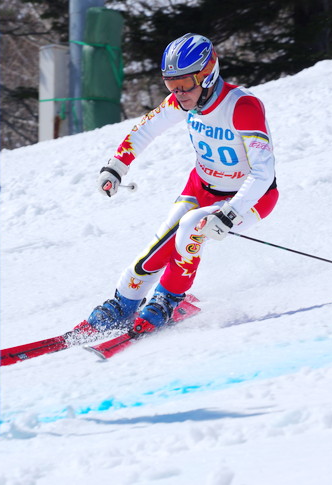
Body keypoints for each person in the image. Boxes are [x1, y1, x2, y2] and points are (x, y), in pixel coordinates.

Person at [79, 33, 278, 339]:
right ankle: (123, 303)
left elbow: (264, 173)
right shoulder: (183, 102)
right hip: (201, 187)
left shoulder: (243, 106)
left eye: (184, 84)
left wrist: (229, 214)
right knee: (161, 243)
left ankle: (168, 300)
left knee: (191, 227)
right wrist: (116, 167)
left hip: (250, 196)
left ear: (207, 75)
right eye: (170, 84)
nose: (178, 93)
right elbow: (145, 130)